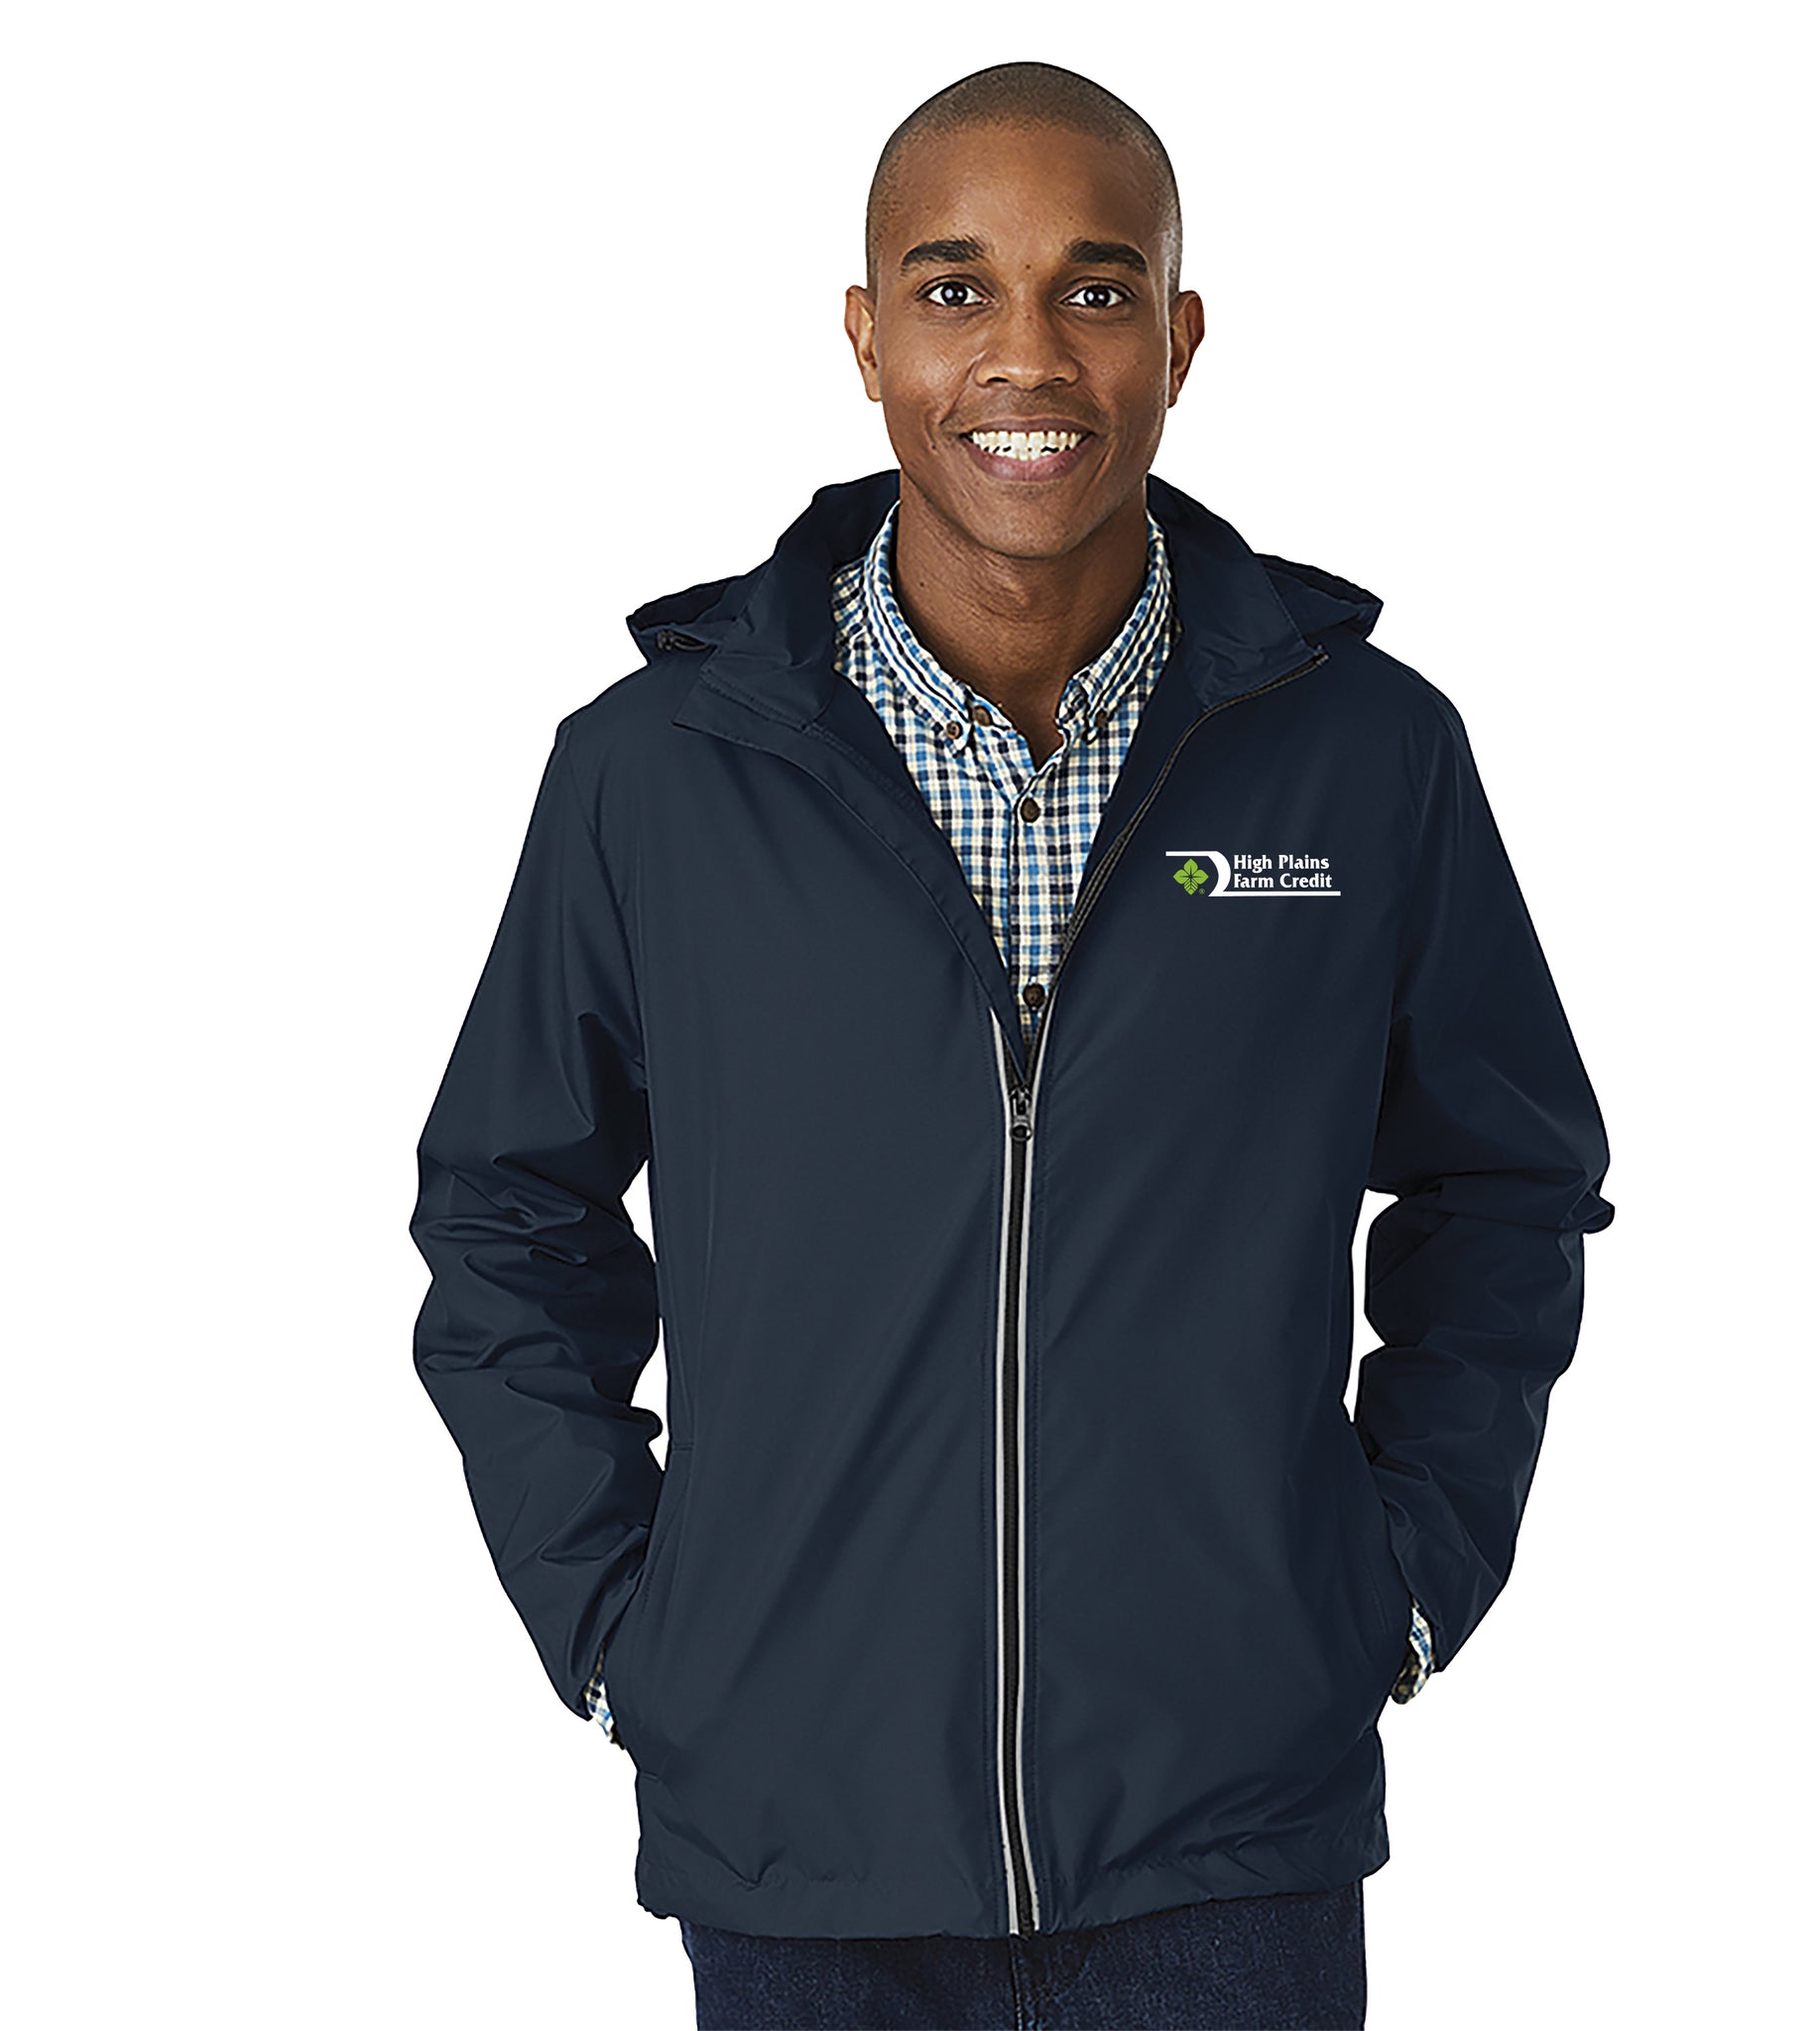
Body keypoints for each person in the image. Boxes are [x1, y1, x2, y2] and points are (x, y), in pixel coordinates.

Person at [410, 58, 1614, 2031]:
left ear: (1180, 339)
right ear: (866, 336)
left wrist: (1400, 1579)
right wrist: (626, 1633)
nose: (1027, 355)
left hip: (1229, 1851)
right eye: (956, 288)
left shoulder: (1367, 755)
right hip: (798, 1854)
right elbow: (504, 1212)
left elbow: (1505, 1178)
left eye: (1097, 288)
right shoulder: (654, 774)